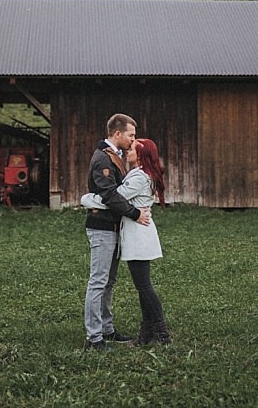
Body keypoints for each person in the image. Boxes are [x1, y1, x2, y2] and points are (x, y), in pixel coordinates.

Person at [83, 138, 170, 345]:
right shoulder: (139, 174)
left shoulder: (140, 177)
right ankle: (148, 333)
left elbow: (115, 198)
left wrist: (87, 199)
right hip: (136, 232)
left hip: (138, 234)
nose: (128, 150)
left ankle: (161, 333)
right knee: (143, 286)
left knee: (144, 286)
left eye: (132, 148)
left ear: (140, 156)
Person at [83, 113, 151, 351]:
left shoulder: (116, 156)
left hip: (113, 228)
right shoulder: (103, 158)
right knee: (98, 281)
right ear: (118, 133)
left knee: (109, 281)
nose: (133, 140)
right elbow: (110, 195)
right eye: (131, 135)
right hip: (101, 227)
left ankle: (107, 329)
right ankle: (94, 338)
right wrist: (134, 214)